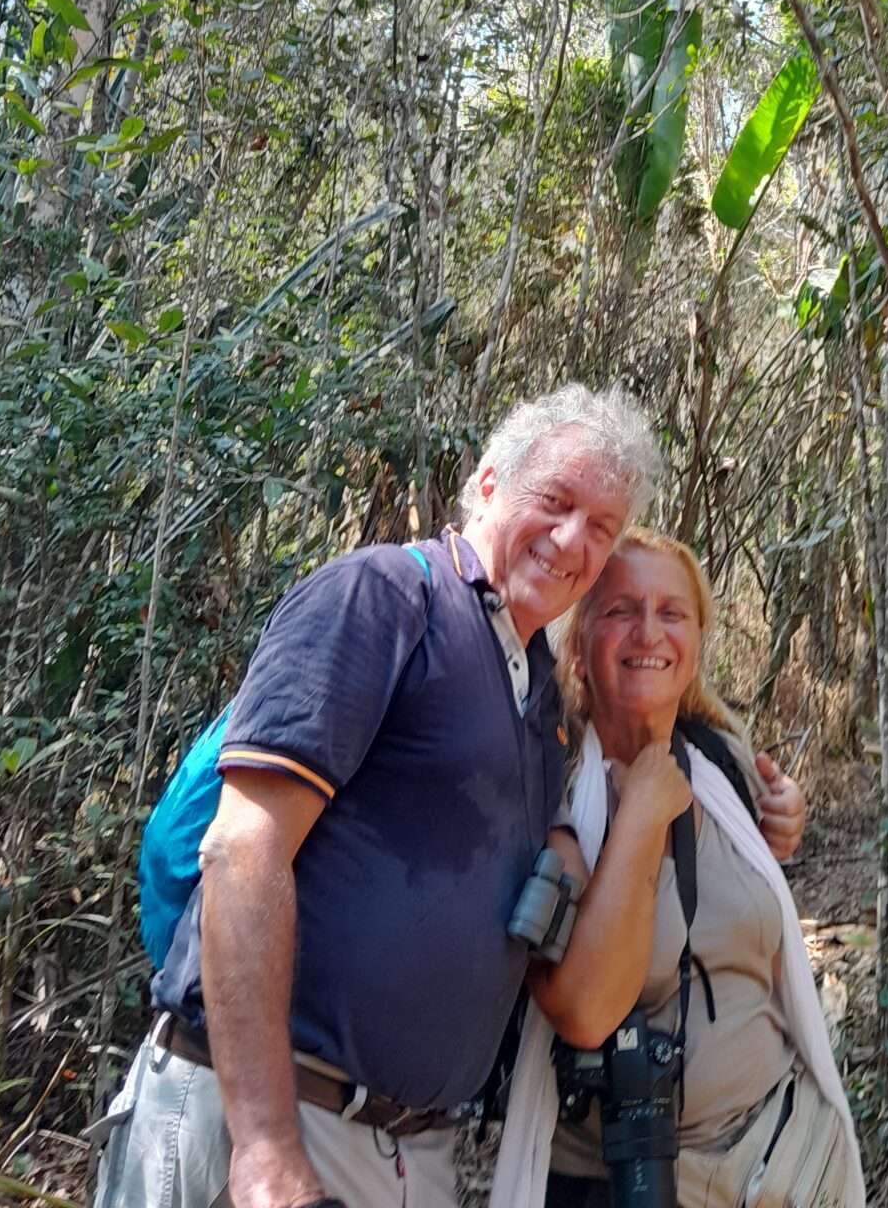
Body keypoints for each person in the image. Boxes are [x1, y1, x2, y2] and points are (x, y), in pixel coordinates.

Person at [93, 386, 806, 1208]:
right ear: (491, 484)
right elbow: (243, 846)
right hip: (272, 1119)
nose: (574, 538)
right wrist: (262, 1145)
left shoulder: (537, 698)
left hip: (407, 1149)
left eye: (601, 526)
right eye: (556, 501)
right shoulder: (387, 597)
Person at [491, 530, 864, 1208]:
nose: (649, 632)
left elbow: (746, 890)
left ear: (697, 639)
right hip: (618, 1181)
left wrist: (783, 820)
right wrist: (640, 814)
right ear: (579, 640)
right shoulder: (555, 791)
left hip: (782, 1155)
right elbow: (579, 1011)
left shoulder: (723, 760)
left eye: (671, 613)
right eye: (621, 610)